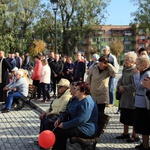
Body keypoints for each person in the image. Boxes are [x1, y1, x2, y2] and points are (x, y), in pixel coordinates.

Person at [52, 82, 98, 150]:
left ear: (83, 91)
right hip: (78, 126)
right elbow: (68, 111)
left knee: (61, 132)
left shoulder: (87, 102)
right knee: (57, 129)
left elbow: (81, 120)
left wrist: (65, 125)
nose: (75, 90)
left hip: (85, 128)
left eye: (77, 89)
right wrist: (60, 119)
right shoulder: (77, 99)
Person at [115, 51, 140, 142]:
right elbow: (120, 80)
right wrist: (119, 87)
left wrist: (124, 88)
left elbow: (135, 85)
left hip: (131, 98)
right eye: (125, 60)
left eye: (127, 60)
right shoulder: (125, 69)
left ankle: (134, 135)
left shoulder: (135, 71)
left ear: (133, 61)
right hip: (124, 98)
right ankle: (125, 133)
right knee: (125, 116)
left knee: (132, 117)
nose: (125, 61)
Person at [133, 56, 150, 150]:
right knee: (141, 126)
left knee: (145, 126)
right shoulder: (142, 72)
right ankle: (144, 144)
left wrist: (136, 75)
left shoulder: (147, 73)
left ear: (144, 65)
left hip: (144, 104)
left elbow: (139, 86)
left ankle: (146, 145)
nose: (136, 65)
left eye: (138, 63)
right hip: (139, 103)